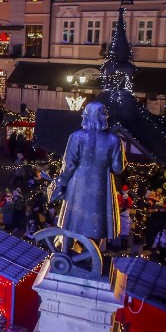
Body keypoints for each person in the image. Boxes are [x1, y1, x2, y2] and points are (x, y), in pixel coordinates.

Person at [50, 101, 125, 249]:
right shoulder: (114, 140)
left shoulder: (76, 137)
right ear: (104, 117)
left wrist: (62, 182)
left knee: (72, 220)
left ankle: (67, 250)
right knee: (97, 224)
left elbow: (69, 165)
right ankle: (93, 255)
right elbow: (118, 168)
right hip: (101, 186)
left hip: (78, 185)